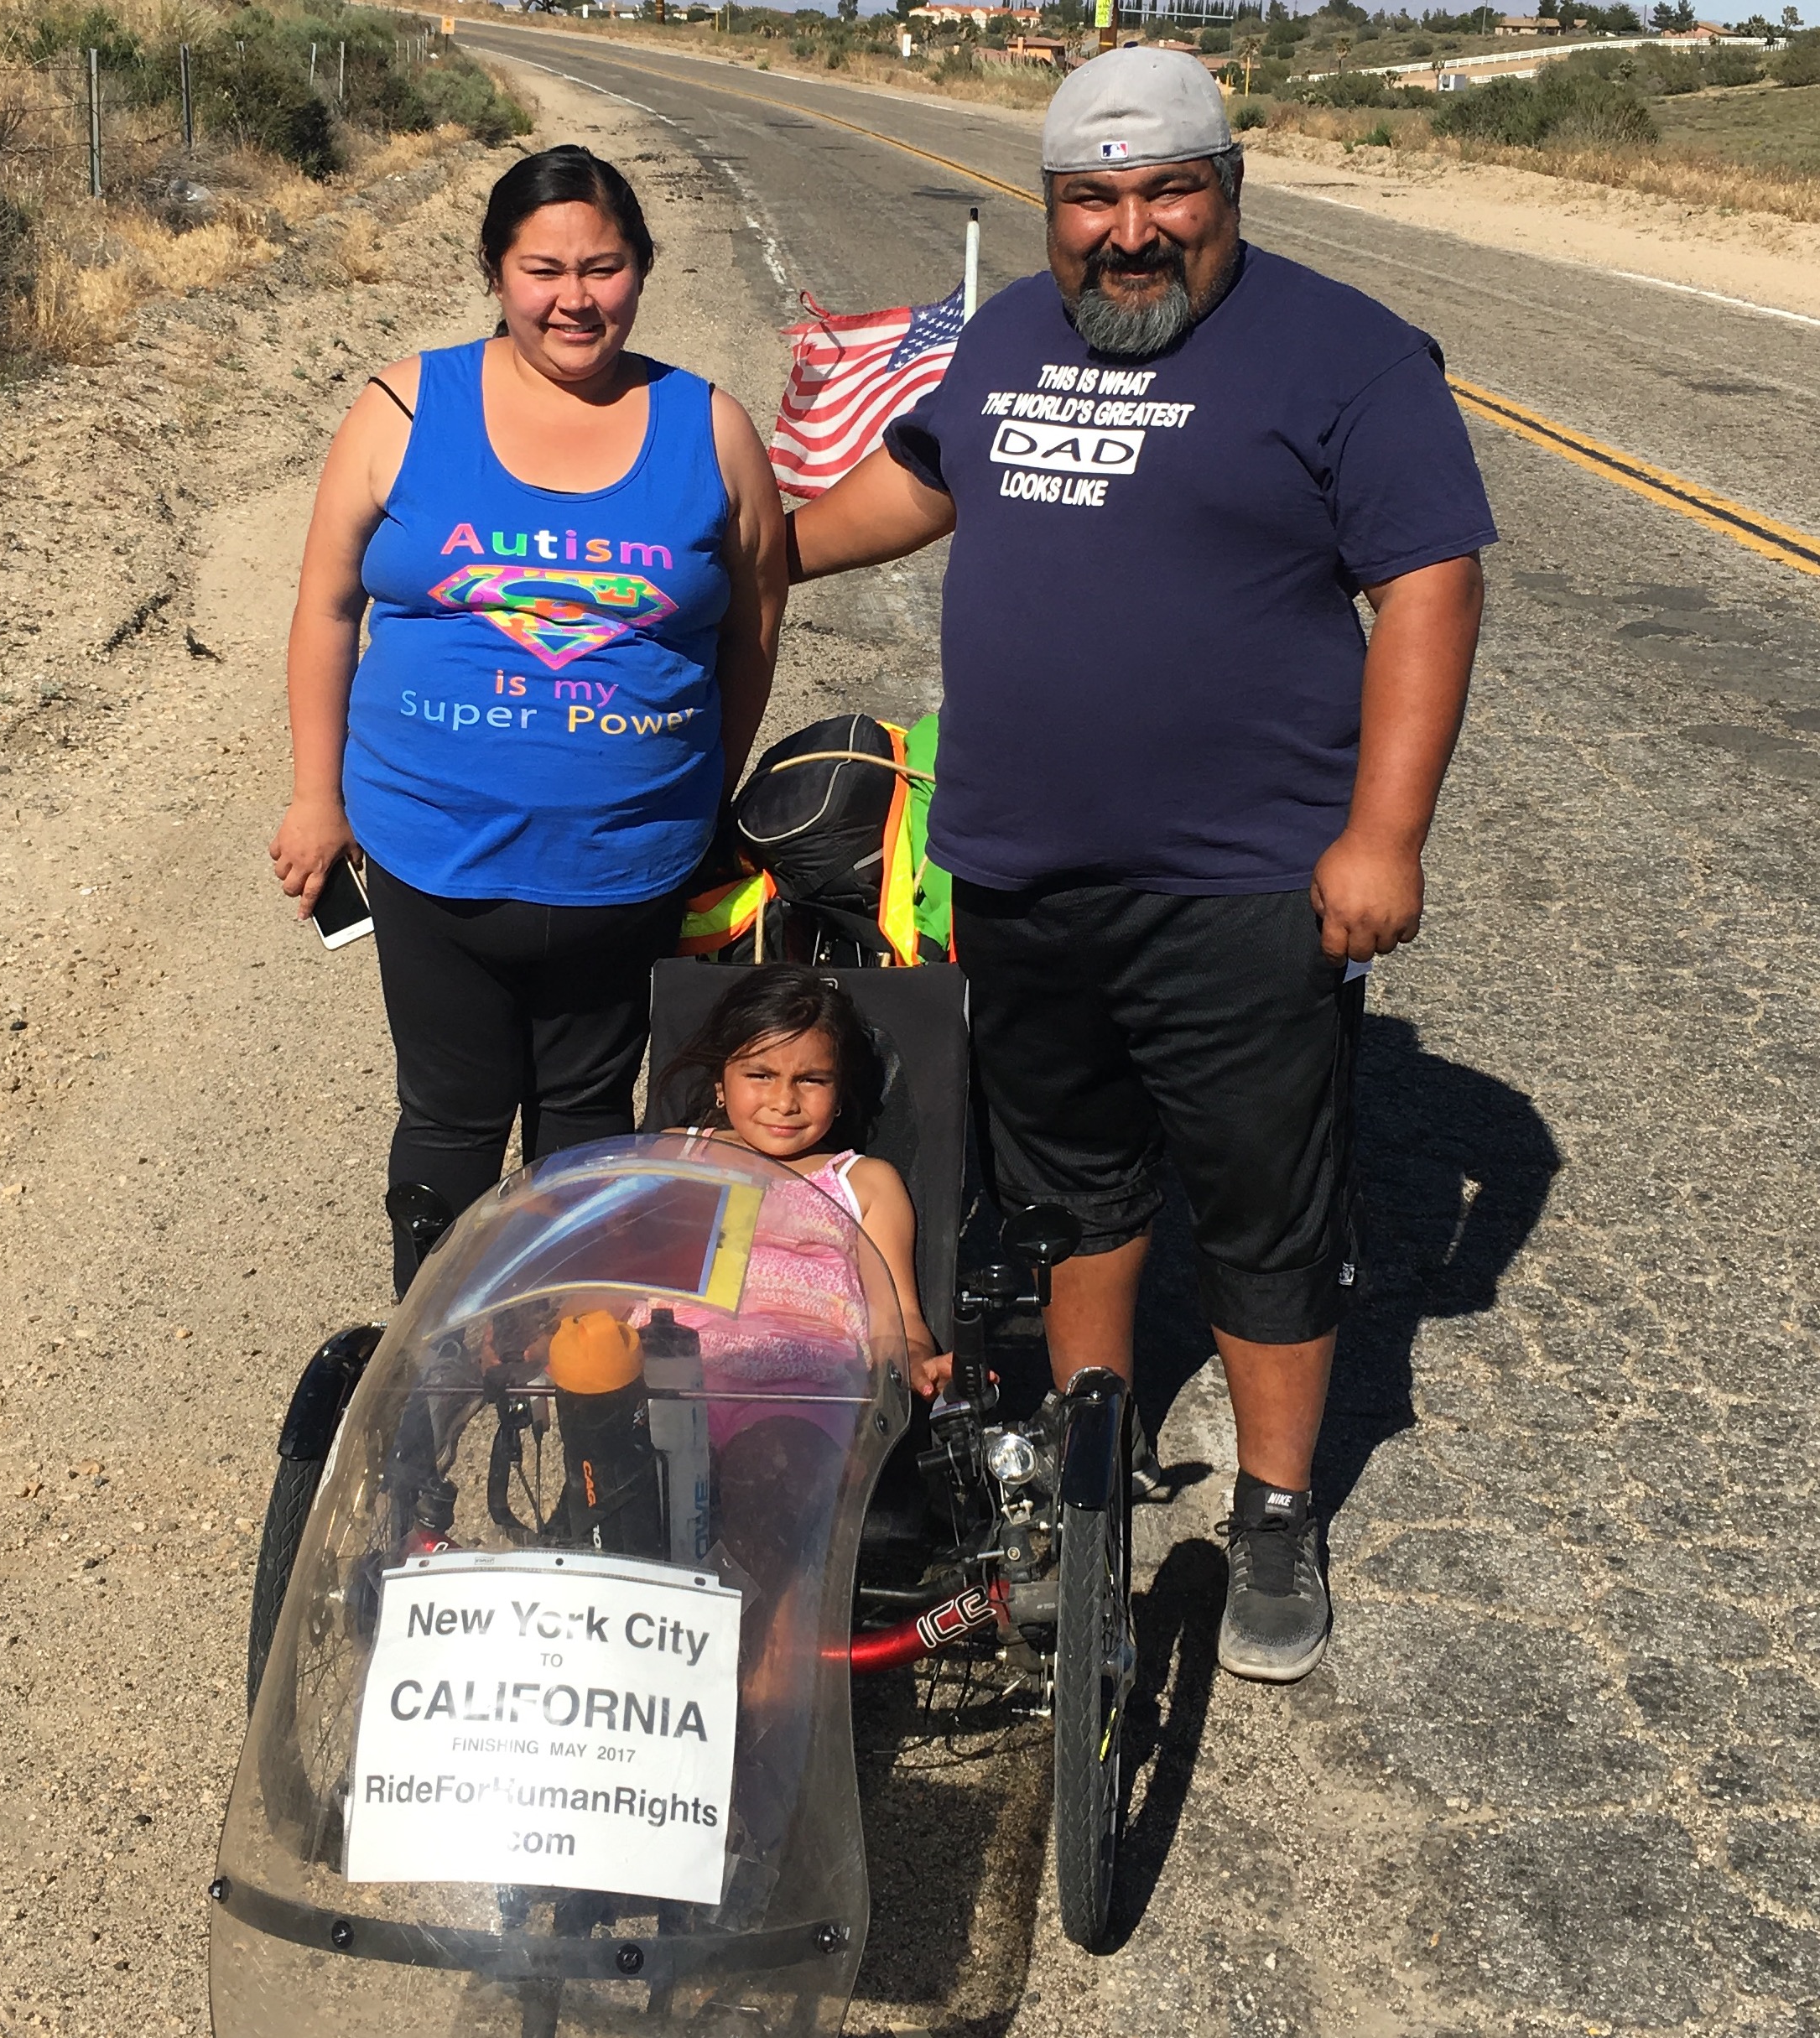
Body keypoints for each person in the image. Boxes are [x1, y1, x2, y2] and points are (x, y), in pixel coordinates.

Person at [788, 49, 1495, 1685]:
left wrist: (1383, 835)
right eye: (1089, 198)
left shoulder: (1347, 354)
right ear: (1049, 206)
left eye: (1167, 190)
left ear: (1226, 189)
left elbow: (1430, 585)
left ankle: (1272, 1506)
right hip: (1018, 869)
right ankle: (1082, 1458)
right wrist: (746, 536)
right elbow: (912, 484)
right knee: (1067, 1184)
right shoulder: (1009, 335)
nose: (1128, 230)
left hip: (1242, 881)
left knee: (1258, 1202)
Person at [269, 144, 787, 1294]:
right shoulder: (407, 404)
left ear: (641, 267)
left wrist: (706, 786)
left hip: (626, 868)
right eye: (543, 269)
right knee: (450, 1118)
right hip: (428, 853)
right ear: (496, 271)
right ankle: (437, 1350)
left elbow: (755, 622)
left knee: (587, 1119)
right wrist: (315, 796)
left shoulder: (708, 426)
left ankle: (570, 1349)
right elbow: (326, 605)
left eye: (603, 267)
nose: (575, 299)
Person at [655, 964, 950, 1400]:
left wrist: (915, 1364)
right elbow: (618, 1272)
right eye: (761, 1075)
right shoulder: (674, 1157)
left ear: (839, 1091)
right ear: (721, 1081)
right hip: (673, 1384)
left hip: (809, 1396)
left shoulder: (864, 1185)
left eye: (811, 1080)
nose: (784, 1102)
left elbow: (899, 1320)